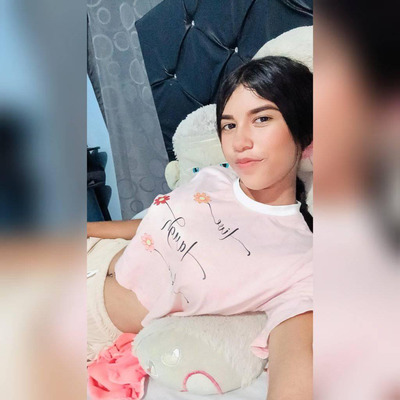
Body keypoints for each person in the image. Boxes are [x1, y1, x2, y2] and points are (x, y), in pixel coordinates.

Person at [87, 56, 313, 399]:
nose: (239, 142)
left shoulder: (299, 259)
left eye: (262, 119)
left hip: (88, 315)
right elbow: (147, 225)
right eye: (229, 125)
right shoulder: (214, 177)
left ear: (305, 132)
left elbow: (296, 363)